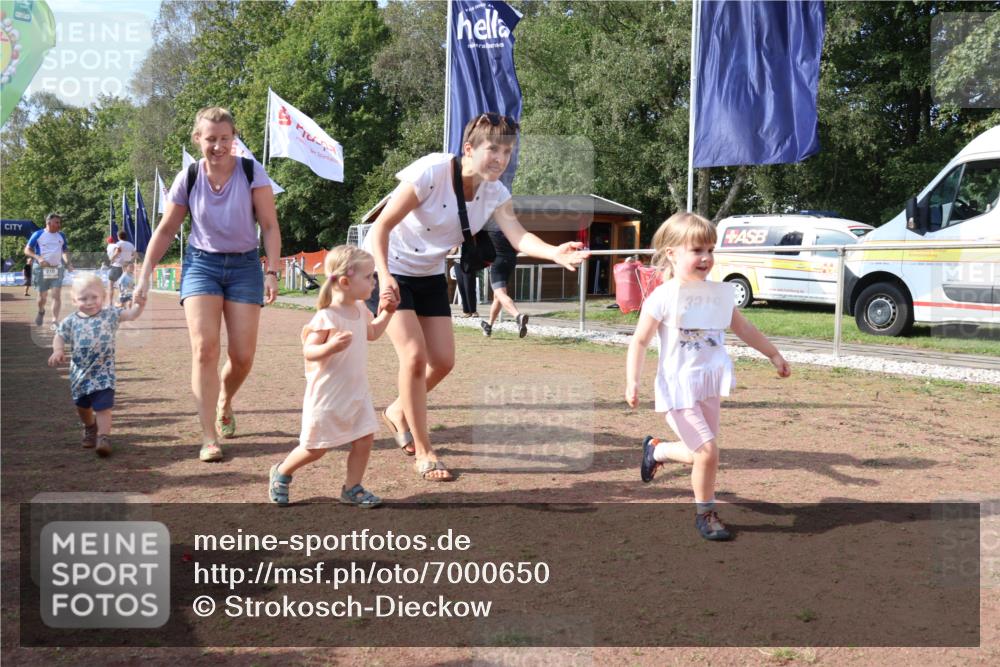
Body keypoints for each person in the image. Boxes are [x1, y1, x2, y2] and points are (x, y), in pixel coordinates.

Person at [365, 112, 590, 481]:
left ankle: (395, 410)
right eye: (493, 149)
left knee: (443, 361)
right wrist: (385, 275)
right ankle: (424, 451)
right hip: (389, 269)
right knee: (413, 354)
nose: (501, 158)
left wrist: (554, 252)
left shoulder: (496, 192)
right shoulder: (432, 171)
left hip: (429, 275)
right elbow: (382, 227)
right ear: (468, 148)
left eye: (507, 152)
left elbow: (518, 237)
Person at [625, 212, 791, 541]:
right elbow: (640, 340)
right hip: (678, 389)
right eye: (697, 249)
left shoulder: (718, 295)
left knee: (700, 453)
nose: (706, 258)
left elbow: (743, 327)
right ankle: (706, 514)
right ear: (672, 252)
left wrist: (773, 353)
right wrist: (633, 381)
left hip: (709, 386)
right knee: (708, 452)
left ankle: (655, 451)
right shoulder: (662, 297)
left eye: (711, 250)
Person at [134, 106, 282, 463]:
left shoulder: (251, 171)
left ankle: (225, 400)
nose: (218, 146)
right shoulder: (189, 176)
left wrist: (272, 270)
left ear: (234, 139)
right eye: (210, 139)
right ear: (198, 139)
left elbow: (270, 225)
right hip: (202, 265)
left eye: (225, 139)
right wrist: (144, 275)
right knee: (205, 349)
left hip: (245, 265)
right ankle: (208, 437)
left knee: (243, 356)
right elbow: (167, 229)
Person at [268, 246, 395, 507]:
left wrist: (388, 313)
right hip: (327, 396)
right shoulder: (326, 317)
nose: (374, 281)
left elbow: (372, 333)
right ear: (346, 282)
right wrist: (330, 347)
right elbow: (309, 351)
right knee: (316, 448)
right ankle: (282, 472)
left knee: (365, 439)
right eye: (369, 276)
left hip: (356, 393)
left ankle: (352, 488)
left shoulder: (360, 309)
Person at [48, 273, 145, 457]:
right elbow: (59, 335)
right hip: (80, 375)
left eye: (94, 297)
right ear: (74, 300)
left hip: (103, 373)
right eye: (84, 298)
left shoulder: (110, 315)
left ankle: (103, 437)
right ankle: (89, 426)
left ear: (104, 297)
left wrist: (140, 304)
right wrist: (58, 350)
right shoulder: (71, 320)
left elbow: (131, 315)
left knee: (103, 406)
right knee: (82, 406)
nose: (90, 302)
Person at [24, 213, 73, 328]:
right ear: (48, 223)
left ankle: (55, 321)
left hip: (57, 268)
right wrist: (38, 258)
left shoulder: (61, 235)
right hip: (41, 269)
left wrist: (68, 263)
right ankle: (41, 311)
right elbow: (27, 250)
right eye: (57, 222)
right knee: (42, 297)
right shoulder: (38, 234)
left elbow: (64, 250)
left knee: (56, 295)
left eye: (59, 222)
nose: (59, 225)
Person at [479, 222, 528, 338]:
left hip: (498, 262)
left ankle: (518, 316)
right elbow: (517, 246)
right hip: (511, 260)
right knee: (497, 296)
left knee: (500, 294)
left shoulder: (486, 226)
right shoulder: (508, 227)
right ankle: (489, 326)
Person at [106, 230, 136, 304]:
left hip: (117, 266)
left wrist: (111, 258)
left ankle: (110, 303)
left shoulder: (118, 244)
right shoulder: (131, 245)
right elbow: (135, 255)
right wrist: (129, 261)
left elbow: (117, 252)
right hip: (126, 268)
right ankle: (124, 303)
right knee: (126, 286)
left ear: (118, 237)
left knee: (111, 285)